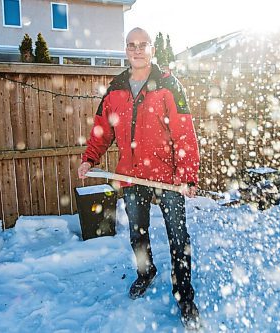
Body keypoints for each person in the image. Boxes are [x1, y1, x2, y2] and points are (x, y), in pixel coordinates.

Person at [78, 27, 201, 329]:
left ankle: (185, 296)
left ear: (152, 50)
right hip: (132, 179)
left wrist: (187, 176)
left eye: (142, 45)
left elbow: (185, 134)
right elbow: (101, 130)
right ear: (126, 50)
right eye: (131, 45)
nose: (136, 50)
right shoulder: (115, 89)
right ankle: (146, 274)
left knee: (178, 238)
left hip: (168, 179)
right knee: (138, 235)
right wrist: (89, 159)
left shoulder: (169, 85)